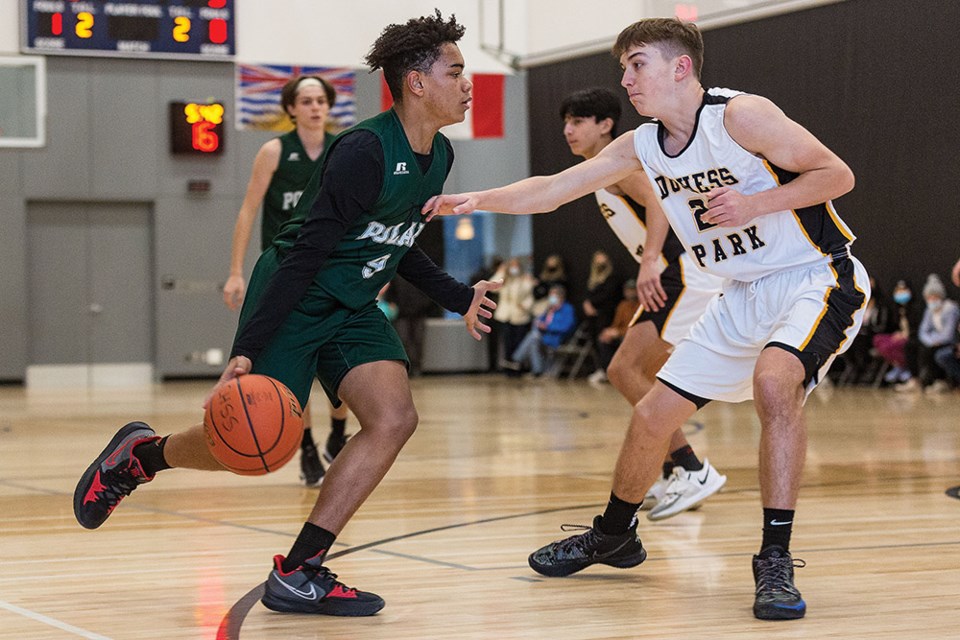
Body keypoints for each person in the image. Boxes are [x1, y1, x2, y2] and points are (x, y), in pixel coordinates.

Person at [425, 17, 869, 621]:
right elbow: (554, 188)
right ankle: (613, 534)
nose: (626, 79)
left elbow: (836, 175)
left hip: (815, 275)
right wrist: (477, 199)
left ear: (680, 67)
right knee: (653, 411)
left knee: (774, 383)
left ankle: (775, 557)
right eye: (624, 68)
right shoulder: (641, 145)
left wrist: (755, 203)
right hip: (739, 291)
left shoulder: (741, 116)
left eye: (637, 64)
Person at [74, 11, 500, 618]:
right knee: (251, 448)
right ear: (416, 81)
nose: (467, 83)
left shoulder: (440, 156)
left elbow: (396, 242)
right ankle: (139, 457)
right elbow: (306, 253)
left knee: (394, 418)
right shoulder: (362, 151)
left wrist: (458, 296)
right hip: (299, 294)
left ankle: (300, 571)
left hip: (352, 303)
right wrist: (246, 348)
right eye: (456, 71)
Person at [560, 87, 726, 518]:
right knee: (647, 376)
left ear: (605, 126)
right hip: (675, 272)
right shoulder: (601, 169)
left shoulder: (617, 166)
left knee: (623, 369)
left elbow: (658, 201)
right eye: (566, 122)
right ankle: (673, 468)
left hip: (683, 270)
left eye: (577, 121)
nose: (568, 130)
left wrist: (650, 259)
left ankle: (692, 467)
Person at [221, 74, 348, 486]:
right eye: (306, 101)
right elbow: (247, 211)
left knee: (343, 364)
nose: (315, 107)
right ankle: (308, 446)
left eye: (321, 100)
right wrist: (237, 271)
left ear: (329, 106)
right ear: (291, 108)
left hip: (335, 270)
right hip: (286, 272)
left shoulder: (343, 150)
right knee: (298, 367)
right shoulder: (274, 150)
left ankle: (340, 433)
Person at [897, 274, 960, 393]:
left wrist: (935, 341)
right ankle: (916, 380)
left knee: (933, 352)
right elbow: (923, 330)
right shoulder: (929, 310)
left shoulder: (951, 309)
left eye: (934, 297)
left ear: (940, 296)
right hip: (933, 341)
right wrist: (930, 341)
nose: (931, 300)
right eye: (928, 297)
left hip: (948, 342)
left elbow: (949, 333)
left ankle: (939, 380)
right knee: (912, 346)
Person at [510, 284, 576, 376]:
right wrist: (540, 322)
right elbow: (541, 320)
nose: (551, 298)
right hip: (545, 336)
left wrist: (547, 327)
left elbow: (566, 327)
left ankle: (517, 360)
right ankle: (537, 371)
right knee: (534, 338)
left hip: (558, 338)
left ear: (560, 296)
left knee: (533, 337)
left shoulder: (567, 309)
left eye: (553, 295)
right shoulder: (550, 309)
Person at [589, 278, 639, 384]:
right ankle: (606, 371)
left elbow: (638, 327)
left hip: (634, 336)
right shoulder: (622, 305)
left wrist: (619, 333)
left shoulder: (642, 305)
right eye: (628, 290)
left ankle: (625, 373)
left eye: (633, 290)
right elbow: (616, 324)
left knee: (625, 341)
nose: (630, 292)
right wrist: (610, 332)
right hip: (621, 334)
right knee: (603, 339)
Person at [492, 257, 536, 374]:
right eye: (512, 266)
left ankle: (518, 367)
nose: (514, 268)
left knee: (519, 342)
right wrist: (501, 271)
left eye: (516, 266)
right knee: (507, 342)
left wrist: (525, 306)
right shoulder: (504, 280)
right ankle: (508, 367)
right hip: (505, 315)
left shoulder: (524, 280)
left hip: (520, 316)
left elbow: (530, 296)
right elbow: (492, 286)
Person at [872, 279, 919, 386]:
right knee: (878, 339)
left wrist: (905, 335)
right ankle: (898, 365)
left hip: (912, 337)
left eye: (903, 290)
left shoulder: (916, 308)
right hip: (900, 335)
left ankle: (904, 367)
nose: (901, 293)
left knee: (903, 345)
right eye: (898, 291)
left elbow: (916, 328)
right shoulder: (896, 309)